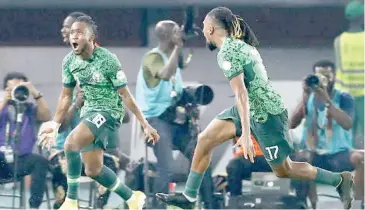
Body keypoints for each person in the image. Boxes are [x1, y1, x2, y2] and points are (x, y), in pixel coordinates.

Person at [156, 7, 354, 210]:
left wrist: (246, 135)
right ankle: (189, 197)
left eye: (205, 26)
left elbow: (241, 93)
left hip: (265, 113)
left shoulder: (227, 52)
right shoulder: (238, 45)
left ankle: (339, 180)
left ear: (213, 29)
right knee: (204, 140)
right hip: (251, 107)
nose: (203, 31)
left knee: (284, 170)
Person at [38, 15, 159, 210]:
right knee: (93, 169)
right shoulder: (69, 62)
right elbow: (66, 96)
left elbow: (125, 95)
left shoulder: (108, 59)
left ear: (91, 37)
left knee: (70, 143)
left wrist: (145, 124)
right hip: (89, 114)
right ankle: (132, 197)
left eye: (79, 32)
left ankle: (71, 201)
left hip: (109, 111)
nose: (73, 36)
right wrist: (54, 124)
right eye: (71, 33)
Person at [50, 12, 129, 209]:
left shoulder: (101, 62)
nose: (64, 31)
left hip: (98, 141)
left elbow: (123, 113)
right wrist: (76, 103)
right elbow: (62, 124)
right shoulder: (69, 63)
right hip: (68, 146)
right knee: (62, 163)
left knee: (101, 166)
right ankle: (68, 204)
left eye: (68, 27)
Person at [135, 20, 215, 209]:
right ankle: (157, 207)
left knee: (201, 156)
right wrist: (178, 47)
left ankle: (211, 205)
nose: (180, 34)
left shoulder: (174, 60)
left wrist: (188, 105)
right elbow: (164, 74)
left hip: (173, 121)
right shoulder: (151, 58)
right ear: (167, 36)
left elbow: (175, 89)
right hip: (154, 121)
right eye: (177, 32)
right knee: (167, 167)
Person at [290, 60, 364, 207]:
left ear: (334, 76)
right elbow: (292, 124)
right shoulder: (308, 98)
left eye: (327, 74)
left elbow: (347, 124)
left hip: (338, 153)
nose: (323, 78)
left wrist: (327, 100)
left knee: (361, 158)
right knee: (301, 157)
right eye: (319, 75)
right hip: (314, 153)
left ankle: (358, 203)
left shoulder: (344, 97)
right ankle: (303, 204)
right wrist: (305, 95)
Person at [0, 72, 50, 209]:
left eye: (20, 87)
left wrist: (35, 93)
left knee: (40, 161)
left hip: (21, 160)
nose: (18, 90)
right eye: (13, 88)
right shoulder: (2, 108)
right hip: (1, 160)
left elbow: (46, 117)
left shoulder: (30, 109)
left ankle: (34, 206)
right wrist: (6, 98)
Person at [334, 0, 364, 149]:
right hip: (363, 94)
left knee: (348, 131)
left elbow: (340, 67)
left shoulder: (339, 41)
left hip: (346, 93)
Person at [226, 135, 271, 208]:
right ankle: (235, 201)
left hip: (267, 155)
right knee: (233, 165)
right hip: (246, 156)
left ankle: (294, 201)